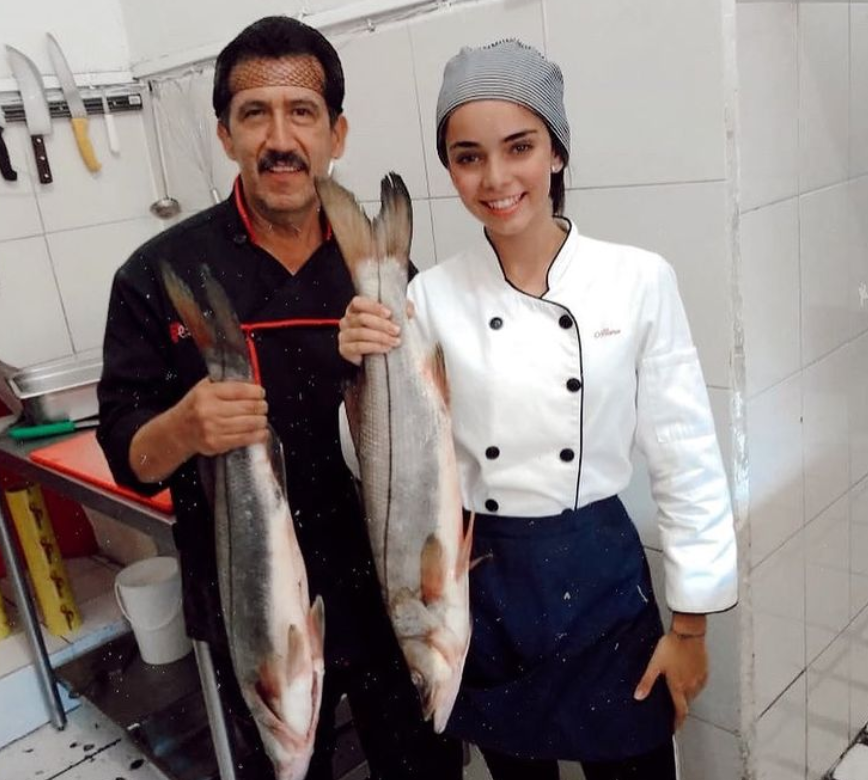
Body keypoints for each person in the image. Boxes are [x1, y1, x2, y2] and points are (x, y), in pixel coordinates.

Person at [338, 39, 738, 780]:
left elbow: (686, 457)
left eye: (518, 147)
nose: (495, 178)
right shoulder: (429, 297)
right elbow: (381, 468)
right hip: (485, 584)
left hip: (602, 582)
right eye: (468, 156)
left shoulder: (638, 280)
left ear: (556, 152)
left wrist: (690, 628)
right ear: (450, 168)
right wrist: (363, 368)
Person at [97, 16, 462, 780]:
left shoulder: (380, 271)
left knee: (424, 767)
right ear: (225, 135)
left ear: (337, 132)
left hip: (388, 582)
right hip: (253, 598)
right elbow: (129, 457)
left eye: (302, 112)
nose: (280, 138)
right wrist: (184, 426)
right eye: (254, 114)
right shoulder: (158, 272)